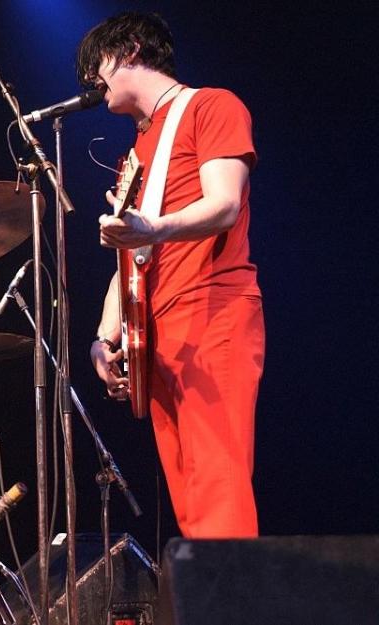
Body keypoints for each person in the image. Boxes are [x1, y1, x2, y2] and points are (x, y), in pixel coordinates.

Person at [77, 13, 264, 538]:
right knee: (189, 500)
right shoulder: (131, 156)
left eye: (96, 66)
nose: (91, 80)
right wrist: (103, 337)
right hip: (155, 339)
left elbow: (225, 203)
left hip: (213, 313)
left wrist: (150, 226)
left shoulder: (212, 105)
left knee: (218, 485)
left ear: (132, 49)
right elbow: (129, 258)